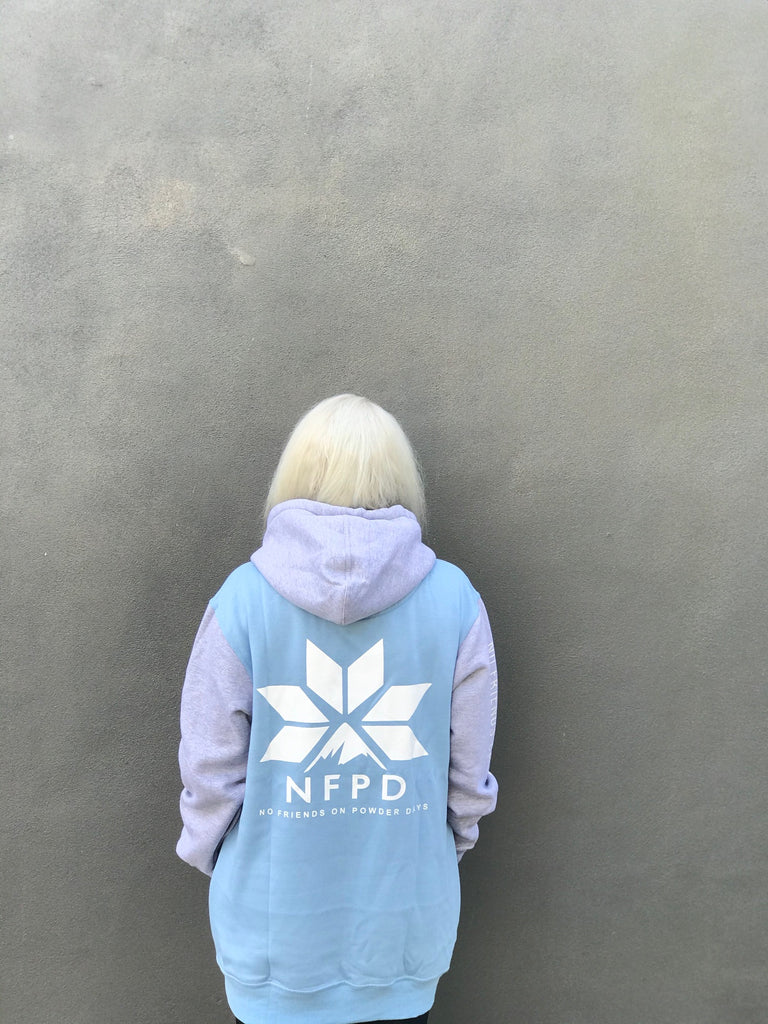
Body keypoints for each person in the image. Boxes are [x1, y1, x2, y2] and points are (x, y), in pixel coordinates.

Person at [176, 394, 498, 1024]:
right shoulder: (455, 600)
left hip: (269, 931)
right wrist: (442, 847)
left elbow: (209, 769)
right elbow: (468, 773)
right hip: (404, 924)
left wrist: (222, 857)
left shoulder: (241, 600)